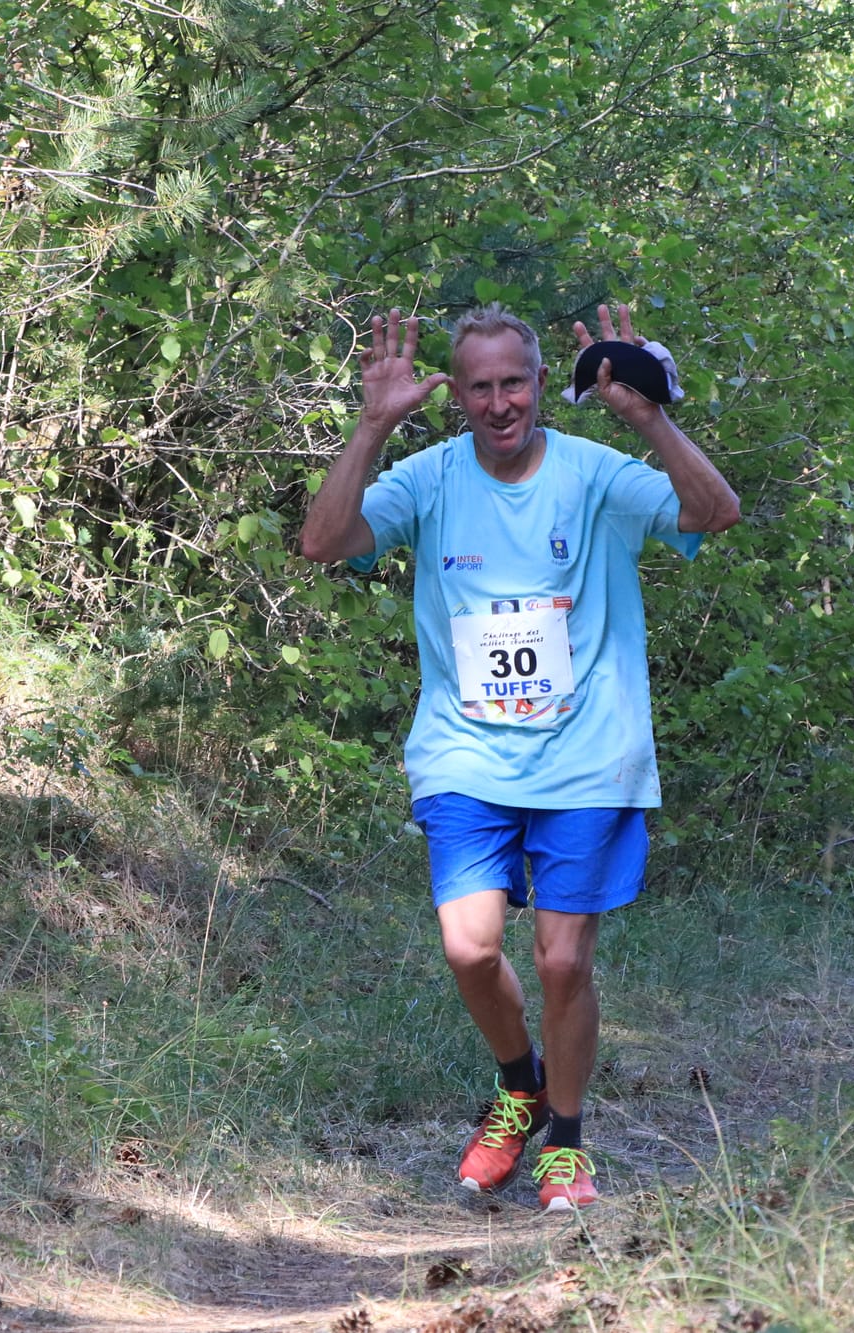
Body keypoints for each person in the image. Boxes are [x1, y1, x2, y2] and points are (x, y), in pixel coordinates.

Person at [299, 302, 740, 1211]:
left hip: (588, 754)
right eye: (480, 386)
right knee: (469, 947)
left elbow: (714, 511)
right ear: (456, 395)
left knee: (563, 963)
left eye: (515, 382)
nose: (499, 402)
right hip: (466, 751)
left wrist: (649, 417)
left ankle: (566, 1146)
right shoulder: (427, 480)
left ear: (541, 385)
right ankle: (519, 1083)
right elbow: (323, 542)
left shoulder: (595, 473)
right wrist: (372, 426)